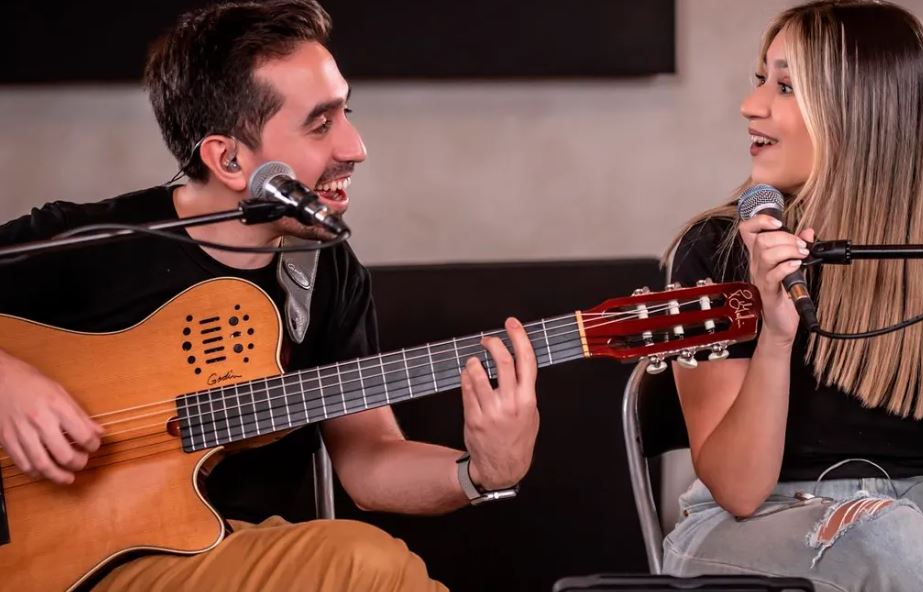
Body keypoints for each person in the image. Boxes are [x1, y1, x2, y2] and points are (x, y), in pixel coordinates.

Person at [0, 1, 540, 590]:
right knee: (365, 565)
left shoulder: (327, 271)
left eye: (346, 112)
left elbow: (369, 460)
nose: (355, 146)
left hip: (227, 554)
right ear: (229, 159)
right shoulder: (89, 244)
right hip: (68, 570)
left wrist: (481, 473)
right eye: (321, 123)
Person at [662, 1, 923, 591]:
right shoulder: (716, 249)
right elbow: (737, 490)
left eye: (785, 87)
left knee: (899, 536)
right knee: (883, 534)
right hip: (755, 526)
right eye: (760, 81)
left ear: (858, 110)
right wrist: (776, 335)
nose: (751, 106)